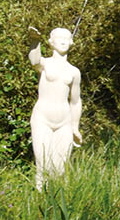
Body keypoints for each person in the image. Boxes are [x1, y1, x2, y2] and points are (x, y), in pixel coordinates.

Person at [28, 26, 82, 190]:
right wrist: (34, 41)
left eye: (67, 38)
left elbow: (75, 101)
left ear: (71, 42)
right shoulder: (45, 64)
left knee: (59, 168)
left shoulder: (74, 72)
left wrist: (75, 126)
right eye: (59, 37)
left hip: (64, 122)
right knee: (43, 164)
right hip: (42, 118)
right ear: (51, 42)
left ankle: (59, 202)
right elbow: (34, 60)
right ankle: (39, 202)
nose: (63, 41)